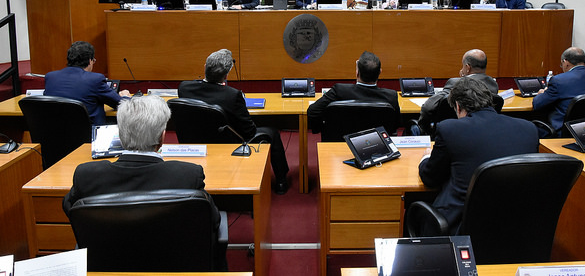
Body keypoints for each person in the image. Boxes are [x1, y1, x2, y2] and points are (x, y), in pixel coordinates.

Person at [418, 76, 539, 234]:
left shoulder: (450, 129)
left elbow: (430, 178)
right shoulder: (528, 129)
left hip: (460, 227)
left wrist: (425, 158)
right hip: (516, 226)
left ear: (458, 106)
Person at [62, 95, 212, 215]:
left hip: (108, 252)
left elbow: (71, 210)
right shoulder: (189, 175)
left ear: (120, 136)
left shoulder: (86, 176)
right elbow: (212, 220)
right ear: (162, 138)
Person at [178, 49, 290, 194]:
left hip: (194, 141)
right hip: (227, 144)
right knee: (272, 133)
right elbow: (249, 132)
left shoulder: (184, 88)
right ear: (225, 75)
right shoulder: (232, 95)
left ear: (205, 66)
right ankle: (281, 181)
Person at [307, 51, 401, 134]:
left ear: (357, 73)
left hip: (341, 143)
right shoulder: (391, 96)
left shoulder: (339, 91)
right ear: (380, 72)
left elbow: (312, 111)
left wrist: (325, 128)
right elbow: (395, 124)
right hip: (377, 147)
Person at [44, 41, 131, 125]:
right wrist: (125, 97)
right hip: (89, 137)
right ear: (90, 60)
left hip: (55, 135)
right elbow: (121, 104)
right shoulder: (95, 79)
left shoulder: (50, 77)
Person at [416, 49, 498, 135]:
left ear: (467, 67)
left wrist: (427, 130)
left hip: (451, 133)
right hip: (483, 133)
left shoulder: (456, 83)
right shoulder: (493, 85)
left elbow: (428, 107)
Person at [533, 47, 585, 134]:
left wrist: (542, 94)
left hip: (564, 132)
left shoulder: (558, 81)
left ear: (565, 62)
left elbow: (537, 104)